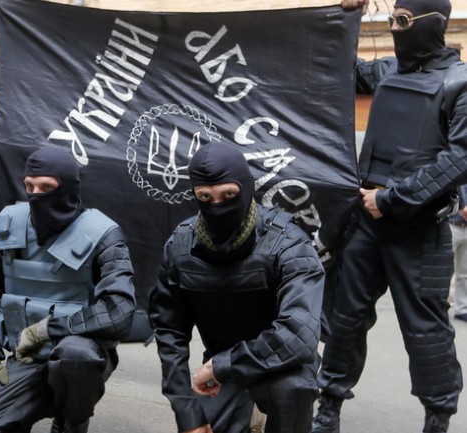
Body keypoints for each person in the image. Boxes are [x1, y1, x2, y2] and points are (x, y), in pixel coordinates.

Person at [312, 1, 466, 432]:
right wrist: (345, 14)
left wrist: (395, 198)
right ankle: (328, 409)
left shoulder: (460, 82)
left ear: (434, 24)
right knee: (345, 320)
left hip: (420, 228)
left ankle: (437, 419)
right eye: (391, 19)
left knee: (426, 330)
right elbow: (334, 64)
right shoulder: (386, 71)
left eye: (403, 20)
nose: (395, 28)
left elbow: (460, 158)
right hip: (366, 223)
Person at [0, 147, 137, 433]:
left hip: (79, 356)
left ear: (69, 188)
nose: (36, 195)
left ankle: (72, 419)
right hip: (25, 358)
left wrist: (47, 329)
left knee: (76, 356)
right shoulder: (8, 225)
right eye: (30, 186)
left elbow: (120, 311)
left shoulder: (102, 234)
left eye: (47, 187)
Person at [149, 142, 325, 433]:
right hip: (221, 369)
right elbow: (169, 331)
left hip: (281, 366)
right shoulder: (180, 246)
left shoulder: (289, 244)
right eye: (205, 197)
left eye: (228, 195)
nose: (217, 206)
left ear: (246, 188)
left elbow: (299, 335)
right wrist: (187, 412)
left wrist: (224, 365)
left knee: (292, 390)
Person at [449, 184, 467, 322]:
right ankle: (437, 307)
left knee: (464, 273)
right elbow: (463, 208)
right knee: (443, 271)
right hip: (453, 226)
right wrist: (463, 207)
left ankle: (462, 309)